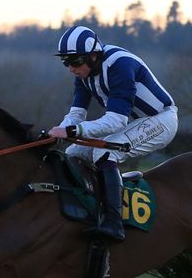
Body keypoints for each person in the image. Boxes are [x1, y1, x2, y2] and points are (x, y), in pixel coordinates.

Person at [49, 25, 178, 240]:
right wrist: (58, 132)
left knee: (105, 153)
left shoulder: (120, 64)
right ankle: (85, 211)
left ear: (93, 56)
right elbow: (76, 115)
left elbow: (116, 120)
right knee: (72, 153)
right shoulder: (84, 74)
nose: (71, 68)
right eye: (66, 62)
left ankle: (114, 223)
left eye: (75, 61)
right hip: (133, 124)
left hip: (161, 121)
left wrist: (71, 130)